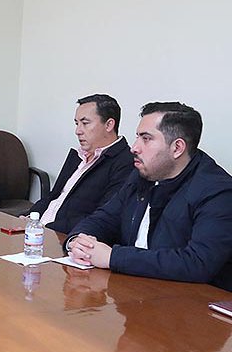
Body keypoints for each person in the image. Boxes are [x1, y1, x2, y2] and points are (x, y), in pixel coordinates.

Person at [66, 102, 232, 291]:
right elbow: (104, 218)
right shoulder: (143, 174)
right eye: (137, 137)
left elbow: (197, 263)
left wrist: (113, 257)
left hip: (190, 300)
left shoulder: (218, 192)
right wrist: (77, 241)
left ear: (177, 148)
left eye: (146, 139)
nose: (134, 148)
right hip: (135, 290)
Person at [27, 94, 134, 233]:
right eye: (77, 124)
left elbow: (103, 217)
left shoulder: (125, 162)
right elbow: (53, 196)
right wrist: (29, 218)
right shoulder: (78, 156)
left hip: (66, 236)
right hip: (38, 230)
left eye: (85, 123)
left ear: (109, 125)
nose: (77, 131)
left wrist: (46, 228)